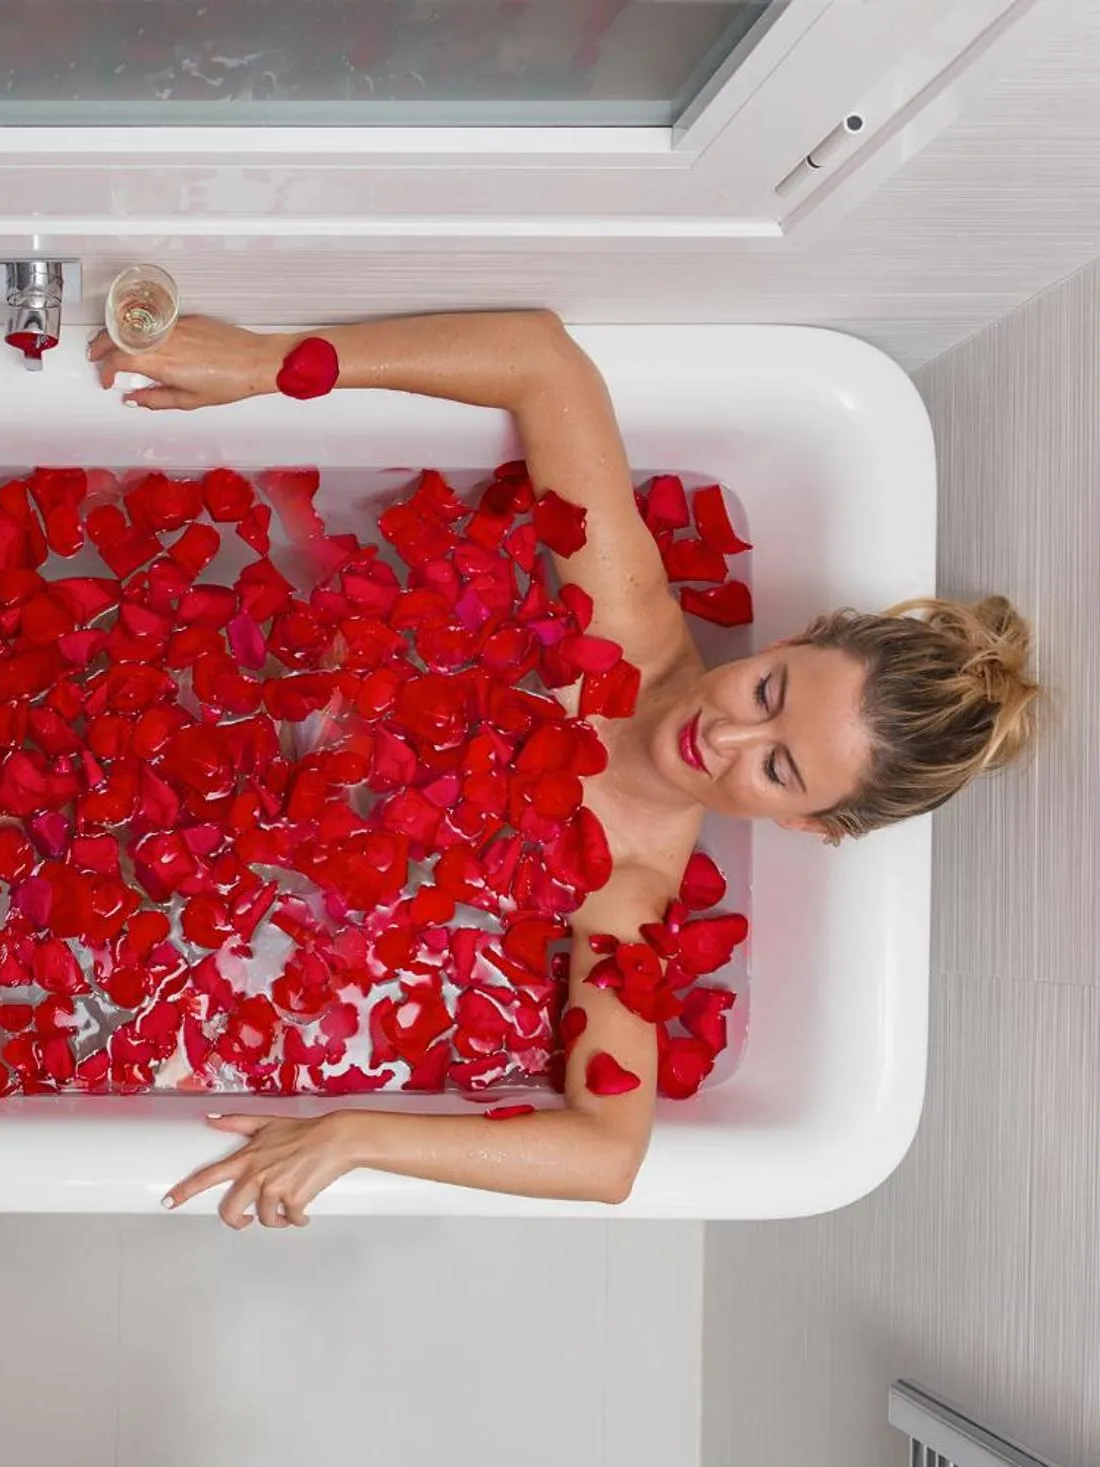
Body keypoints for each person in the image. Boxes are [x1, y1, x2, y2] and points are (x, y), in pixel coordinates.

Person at [79, 310, 1041, 1227]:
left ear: (809, 827)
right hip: (179, 665)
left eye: (781, 769)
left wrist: (353, 1133)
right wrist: (261, 364)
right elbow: (541, 359)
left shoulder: (626, 888)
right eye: (768, 691)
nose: (727, 734)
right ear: (789, 638)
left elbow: (605, 1157)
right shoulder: (623, 619)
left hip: (165, 814)